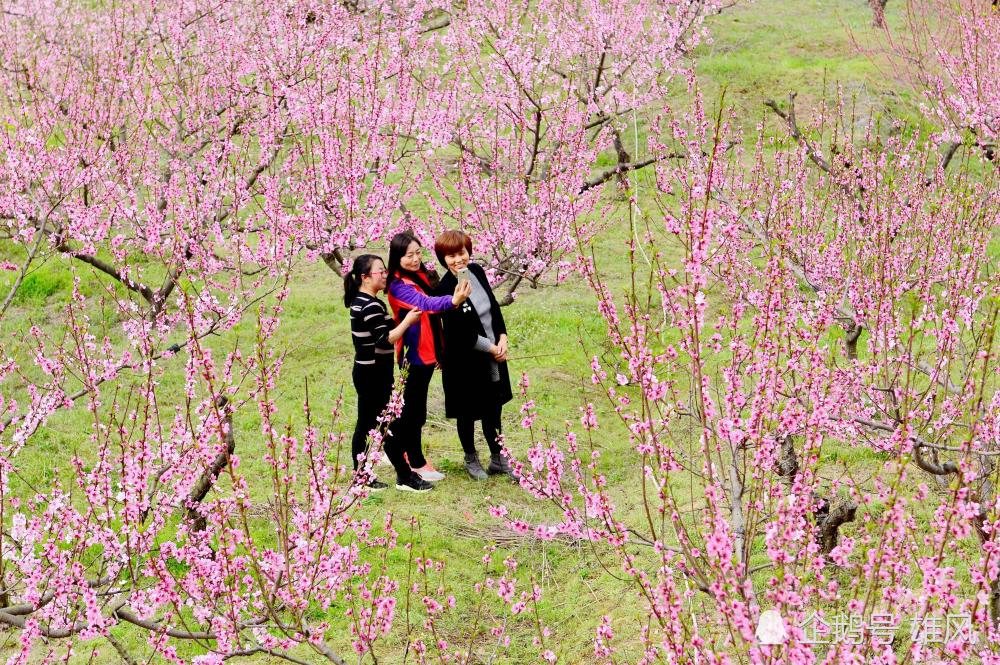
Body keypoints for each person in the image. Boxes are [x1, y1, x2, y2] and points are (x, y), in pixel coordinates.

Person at [344, 254, 434, 493]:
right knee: (388, 425)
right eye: (380, 272)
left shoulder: (363, 301)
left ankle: (364, 477)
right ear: (365, 277)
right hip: (373, 374)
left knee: (370, 425)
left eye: (385, 271)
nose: (385, 275)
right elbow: (386, 338)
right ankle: (404, 476)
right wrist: (408, 322)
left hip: (369, 372)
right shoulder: (370, 305)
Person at [386, 232, 472, 482]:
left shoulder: (419, 274)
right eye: (408, 255)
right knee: (413, 411)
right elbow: (425, 303)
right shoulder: (398, 285)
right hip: (413, 355)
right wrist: (454, 300)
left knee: (414, 409)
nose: (415, 259)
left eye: (417, 253)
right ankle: (414, 460)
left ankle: (402, 451)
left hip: (426, 351)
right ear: (397, 258)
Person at [433, 230, 514, 480]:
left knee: (494, 405)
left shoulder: (477, 272)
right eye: (451, 256)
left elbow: (493, 308)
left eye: (462, 253)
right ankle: (471, 458)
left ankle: (498, 458)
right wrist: (492, 348)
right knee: (466, 411)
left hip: (492, 354)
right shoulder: (444, 289)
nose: (458, 259)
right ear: (443, 259)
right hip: (463, 362)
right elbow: (459, 334)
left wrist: (502, 338)